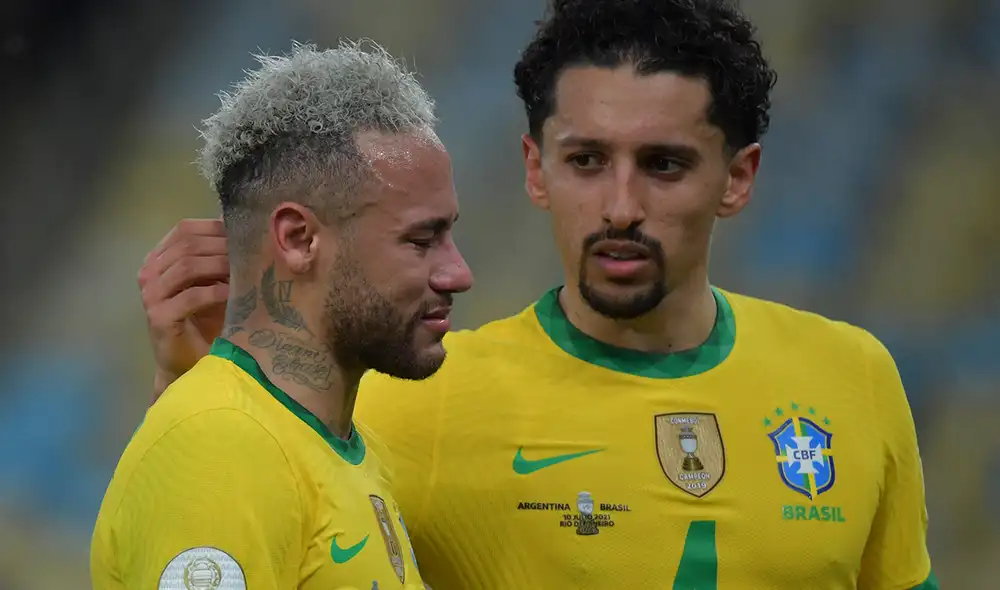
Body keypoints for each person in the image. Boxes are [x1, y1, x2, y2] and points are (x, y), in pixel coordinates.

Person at [138, 0, 939, 588]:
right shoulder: (410, 404)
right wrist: (190, 379)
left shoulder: (854, 379)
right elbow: (227, 504)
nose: (621, 206)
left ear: (737, 178)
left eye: (663, 165)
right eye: (586, 160)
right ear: (534, 169)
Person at [92, 40, 472, 590]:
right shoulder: (222, 446)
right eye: (421, 240)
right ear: (298, 239)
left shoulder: (342, 452)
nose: (458, 273)